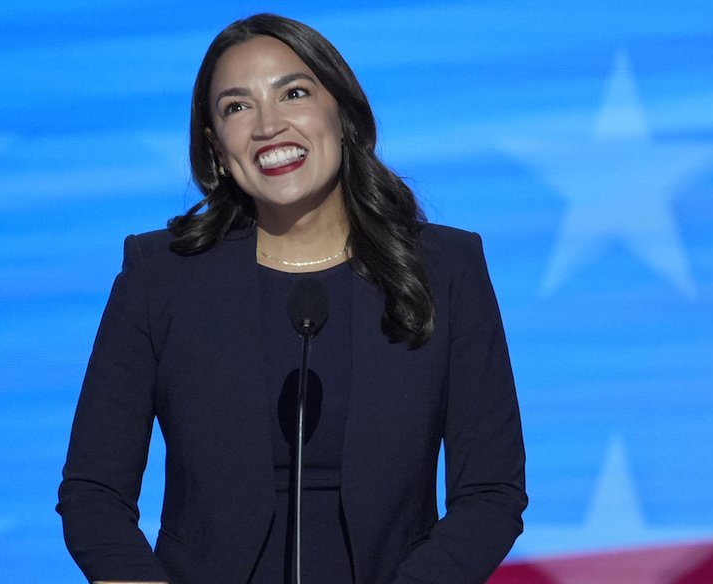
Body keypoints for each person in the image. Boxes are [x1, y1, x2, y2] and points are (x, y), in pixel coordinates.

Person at [57, 13, 526, 584]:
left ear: (343, 113)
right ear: (215, 146)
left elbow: (491, 493)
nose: (267, 126)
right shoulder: (160, 277)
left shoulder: (446, 268)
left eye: (294, 93)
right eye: (236, 108)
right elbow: (93, 494)